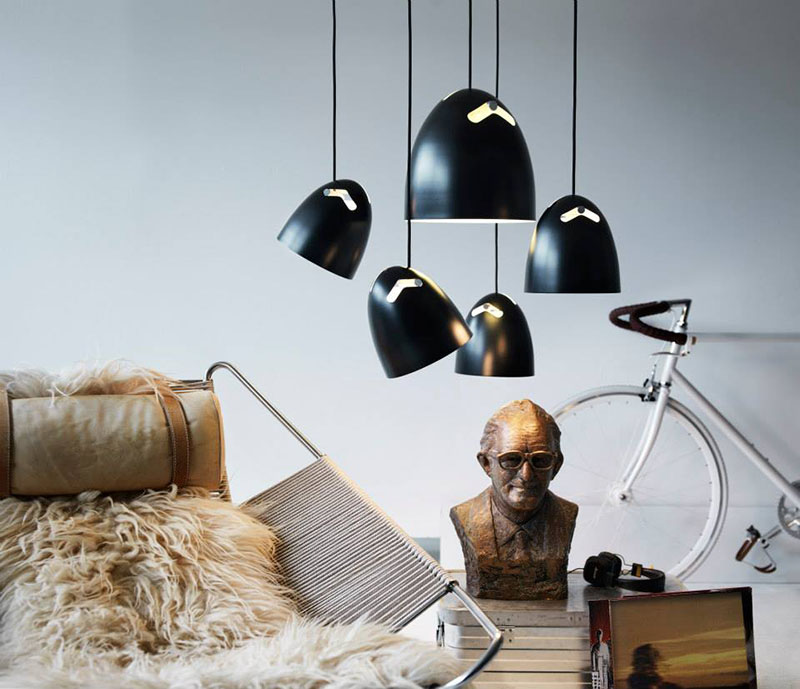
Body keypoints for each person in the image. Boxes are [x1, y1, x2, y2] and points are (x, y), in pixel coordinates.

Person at [450, 400, 578, 599]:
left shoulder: (566, 515)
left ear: (556, 465)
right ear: (486, 464)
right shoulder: (466, 516)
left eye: (540, 460)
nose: (526, 475)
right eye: (511, 459)